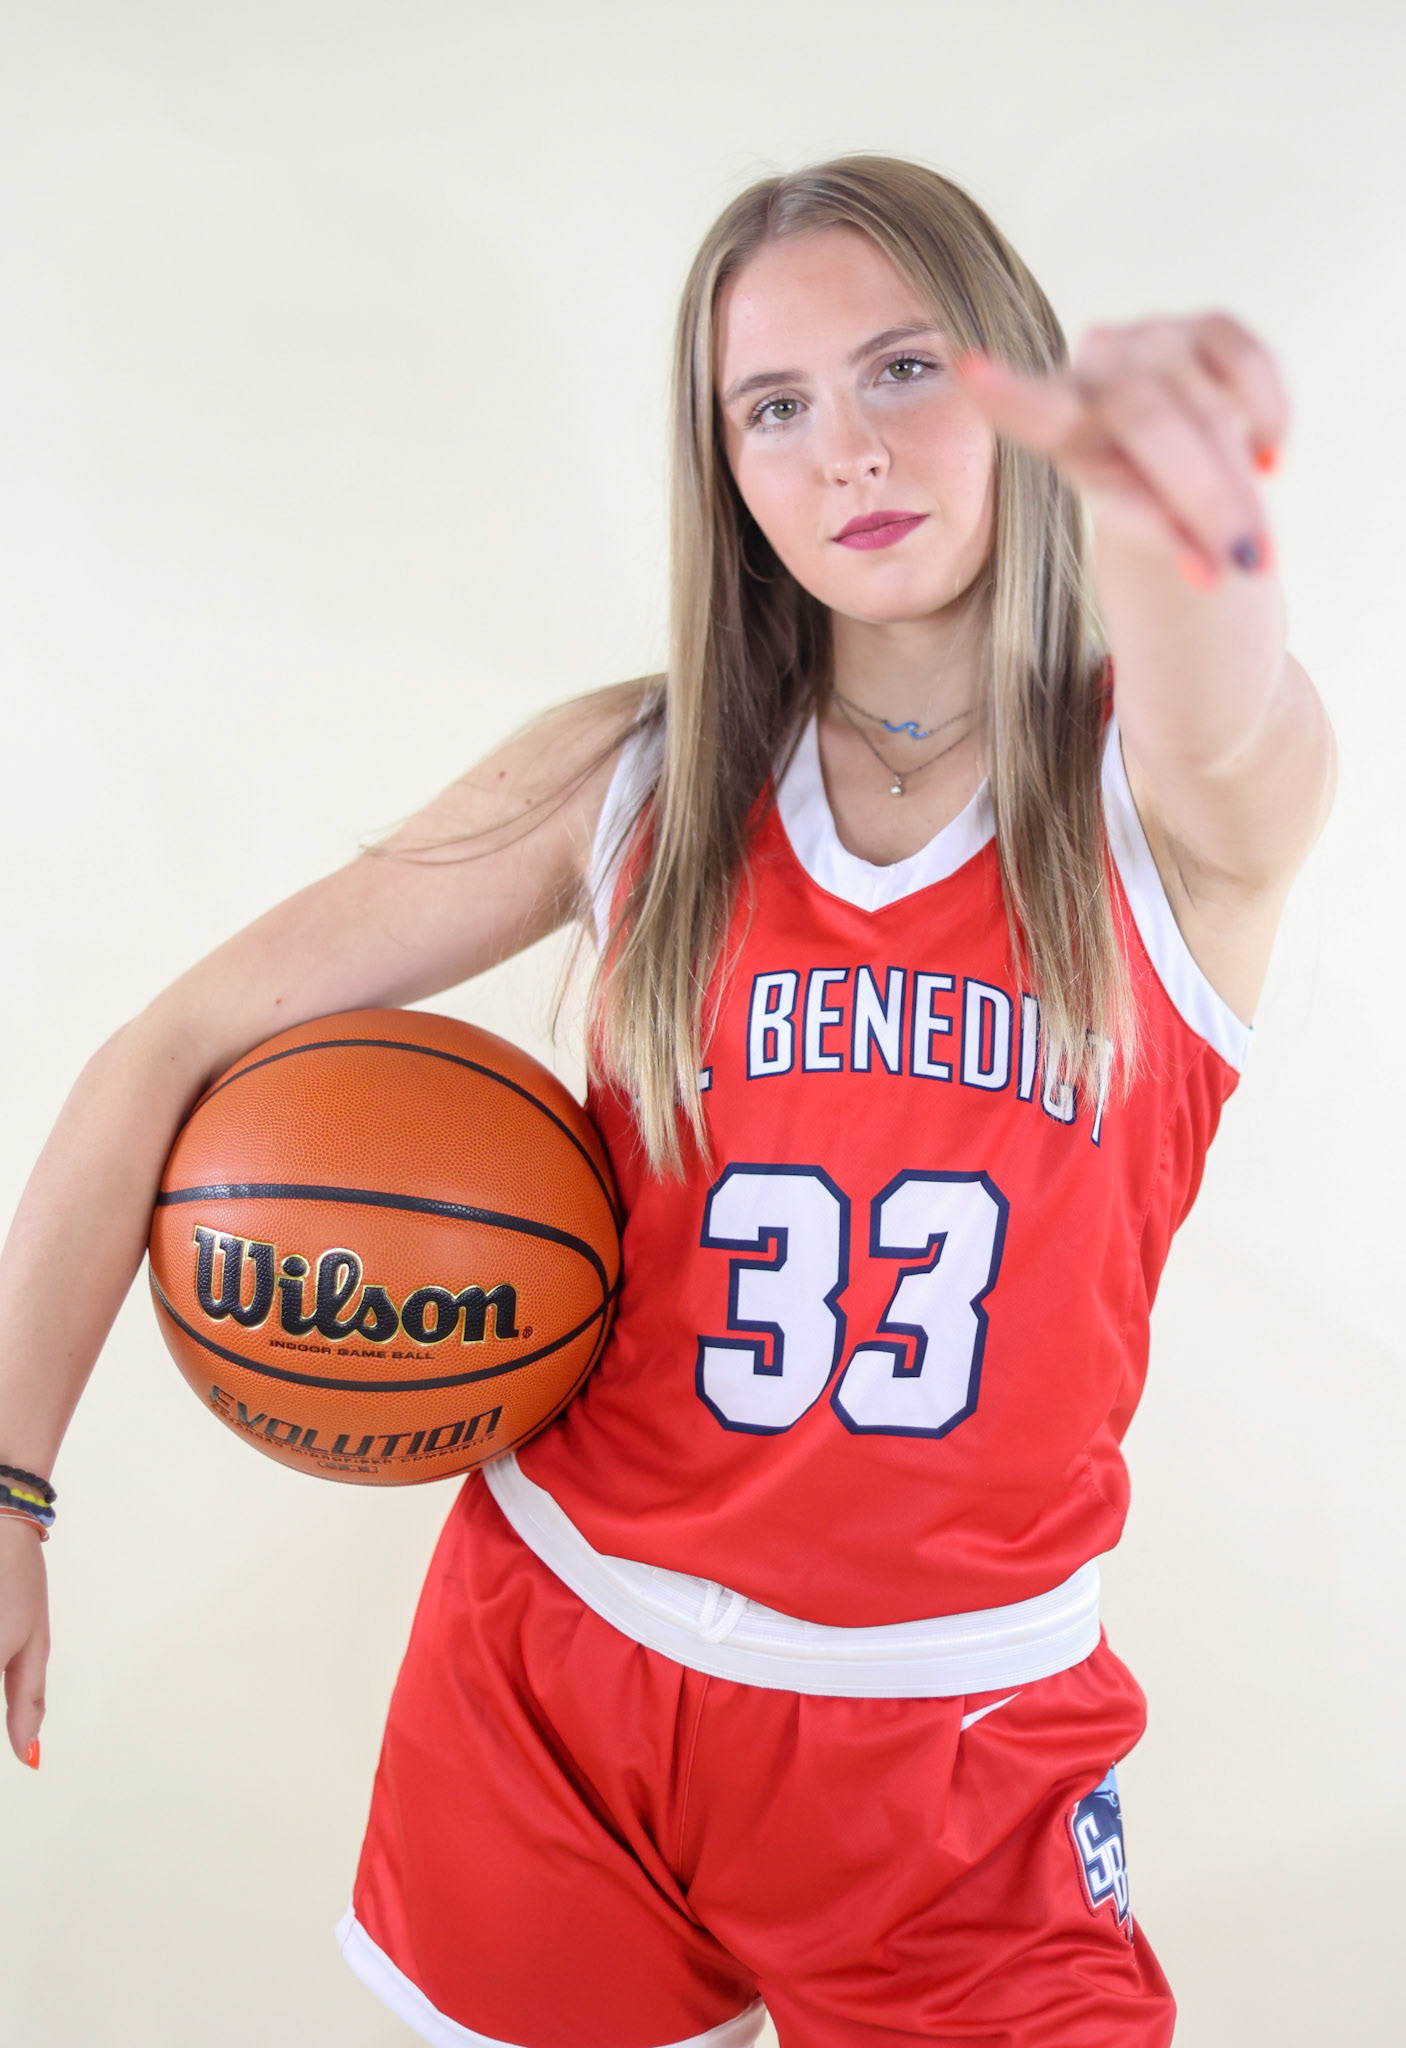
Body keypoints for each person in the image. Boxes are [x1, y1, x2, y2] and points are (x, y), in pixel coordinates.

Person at [0, 155, 1334, 2046]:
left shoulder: (1165, 808)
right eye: (770, 409)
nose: (845, 454)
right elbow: (165, 1046)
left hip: (949, 1746)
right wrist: (7, 1476)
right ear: (720, 468)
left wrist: (1187, 519)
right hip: (557, 1680)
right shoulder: (631, 777)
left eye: (901, 373)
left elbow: (1227, 707)